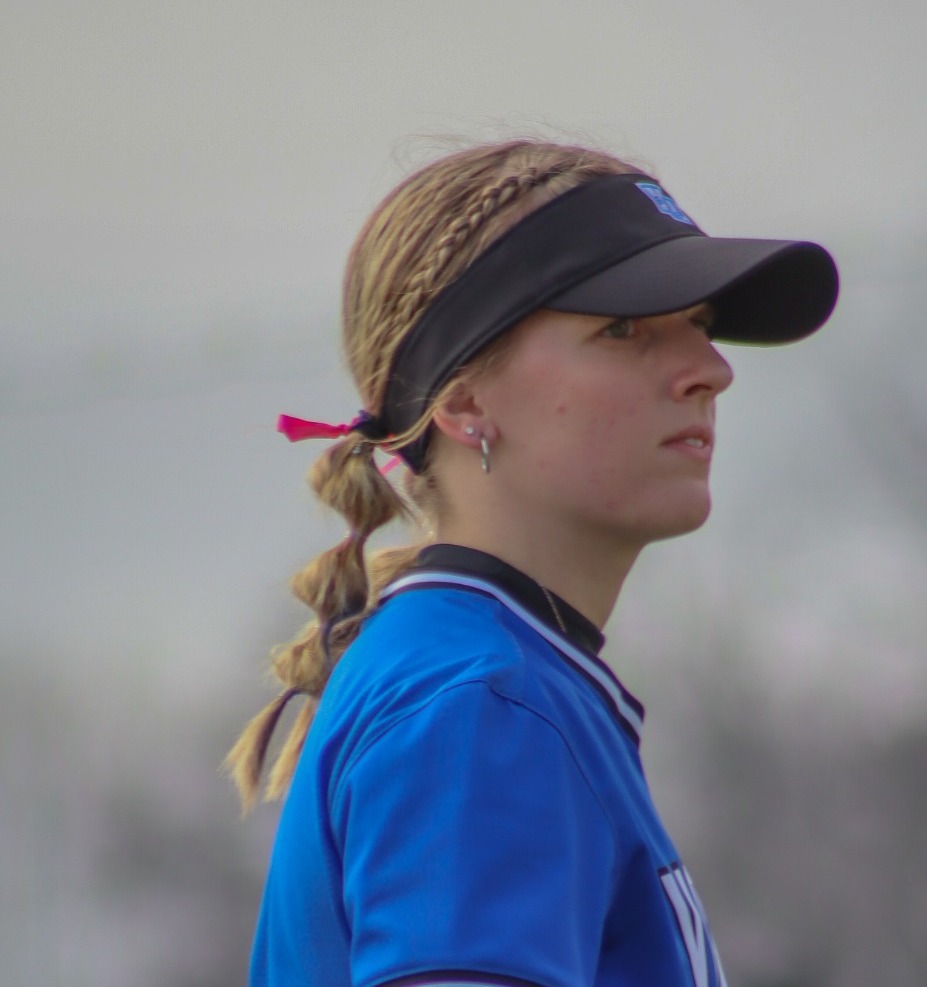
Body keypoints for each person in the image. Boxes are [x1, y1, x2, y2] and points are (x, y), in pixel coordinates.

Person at [226, 138, 838, 987]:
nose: (711, 369)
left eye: (697, 323)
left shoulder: (485, 676)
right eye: (623, 328)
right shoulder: (480, 702)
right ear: (465, 401)